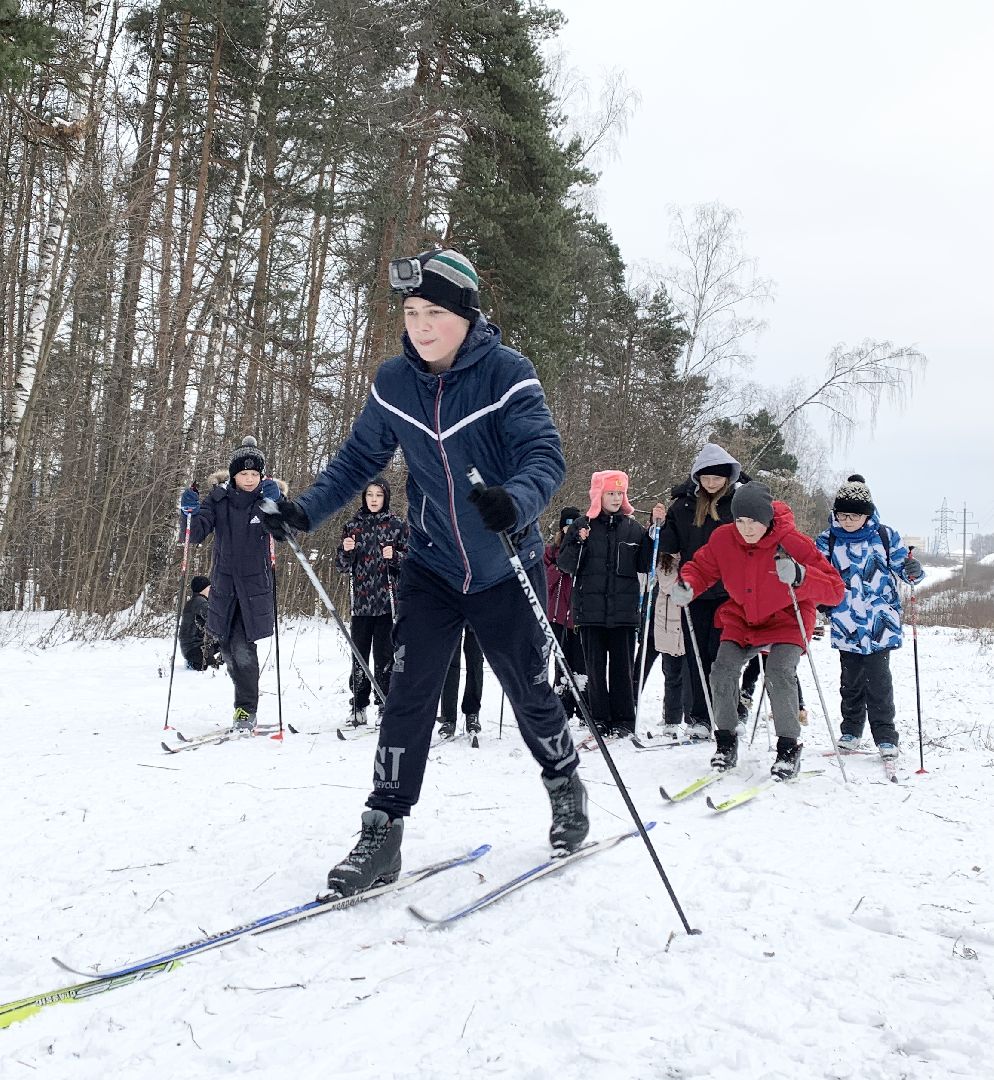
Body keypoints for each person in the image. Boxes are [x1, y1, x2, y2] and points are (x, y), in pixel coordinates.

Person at [259, 249, 587, 895]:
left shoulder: (506, 374)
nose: (421, 325)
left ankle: (563, 784)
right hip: (432, 567)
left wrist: (516, 499)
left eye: (435, 311)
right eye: (411, 312)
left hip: (502, 569)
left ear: (466, 314)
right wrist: (304, 512)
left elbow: (544, 454)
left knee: (528, 694)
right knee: (407, 696)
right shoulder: (394, 382)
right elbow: (357, 461)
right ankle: (382, 828)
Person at [670, 482, 844, 778]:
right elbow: (700, 568)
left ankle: (788, 749)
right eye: (740, 521)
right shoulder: (724, 539)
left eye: (754, 522)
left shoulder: (792, 542)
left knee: (778, 671)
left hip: (788, 616)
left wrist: (801, 575)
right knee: (722, 670)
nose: (747, 529)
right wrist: (688, 584)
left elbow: (835, 590)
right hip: (743, 617)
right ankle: (725, 742)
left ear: (767, 519)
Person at [815, 474, 924, 758]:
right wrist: (822, 602)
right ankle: (850, 732)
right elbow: (817, 577)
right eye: (842, 514)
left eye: (854, 515)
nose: (848, 520)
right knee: (850, 682)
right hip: (847, 621)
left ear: (867, 514)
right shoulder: (827, 541)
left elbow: (904, 570)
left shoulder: (886, 537)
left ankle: (886, 737)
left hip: (879, 623)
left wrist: (913, 571)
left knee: (878, 682)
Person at [179, 437, 282, 733]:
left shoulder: (265, 500)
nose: (249, 479)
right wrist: (188, 513)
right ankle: (243, 707)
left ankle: (245, 711)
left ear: (261, 476)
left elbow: (284, 532)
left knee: (242, 649)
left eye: (254, 474)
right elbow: (195, 533)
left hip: (254, 588)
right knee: (227, 647)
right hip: (223, 587)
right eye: (244, 474)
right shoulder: (218, 499)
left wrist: (279, 506)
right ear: (233, 475)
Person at [654, 444, 744, 739]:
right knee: (696, 656)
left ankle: (727, 713)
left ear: (727, 478)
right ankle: (699, 717)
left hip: (729, 592)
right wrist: (659, 527)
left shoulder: (737, 504)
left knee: (723, 656)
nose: (711, 483)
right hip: (695, 591)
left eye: (716, 478)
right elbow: (670, 544)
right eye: (705, 478)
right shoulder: (683, 506)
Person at [556, 471, 653, 738]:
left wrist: (655, 535)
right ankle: (599, 717)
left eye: (619, 493)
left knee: (623, 668)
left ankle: (623, 719)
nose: (615, 498)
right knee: (595, 669)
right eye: (610, 493)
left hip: (623, 612)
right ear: (599, 495)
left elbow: (646, 564)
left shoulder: (633, 528)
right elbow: (565, 563)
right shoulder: (582, 525)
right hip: (591, 611)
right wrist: (577, 541)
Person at [335, 477, 407, 727]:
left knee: (385, 655)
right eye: (369, 495)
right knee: (359, 655)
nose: (374, 499)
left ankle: (384, 703)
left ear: (385, 497)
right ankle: (358, 703)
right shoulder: (352, 526)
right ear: (364, 497)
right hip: (362, 603)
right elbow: (341, 566)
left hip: (388, 603)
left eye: (378, 495)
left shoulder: (397, 525)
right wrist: (346, 550)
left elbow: (411, 562)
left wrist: (395, 556)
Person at [633, 552, 692, 734]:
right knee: (670, 672)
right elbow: (668, 585)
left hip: (685, 625)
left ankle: (683, 718)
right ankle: (669, 720)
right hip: (664, 624)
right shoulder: (663, 561)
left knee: (685, 675)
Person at [545, 505, 587, 720]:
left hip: (579, 616)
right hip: (558, 615)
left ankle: (582, 706)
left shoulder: (583, 548)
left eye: (573, 525)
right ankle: (562, 704)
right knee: (561, 662)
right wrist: (558, 568)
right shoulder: (552, 551)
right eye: (566, 525)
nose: (569, 530)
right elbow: (545, 581)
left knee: (581, 663)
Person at [438, 627, 484, 738]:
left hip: (477, 612)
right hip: (451, 612)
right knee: (450, 661)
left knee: (475, 660)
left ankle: (472, 713)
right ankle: (448, 718)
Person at [179, 575, 222, 670]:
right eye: (209, 587)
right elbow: (214, 619)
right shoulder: (200, 602)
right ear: (203, 589)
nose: (211, 590)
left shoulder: (195, 601)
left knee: (224, 641)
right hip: (194, 648)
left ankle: (213, 661)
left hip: (191, 647)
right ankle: (194, 663)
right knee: (205, 666)